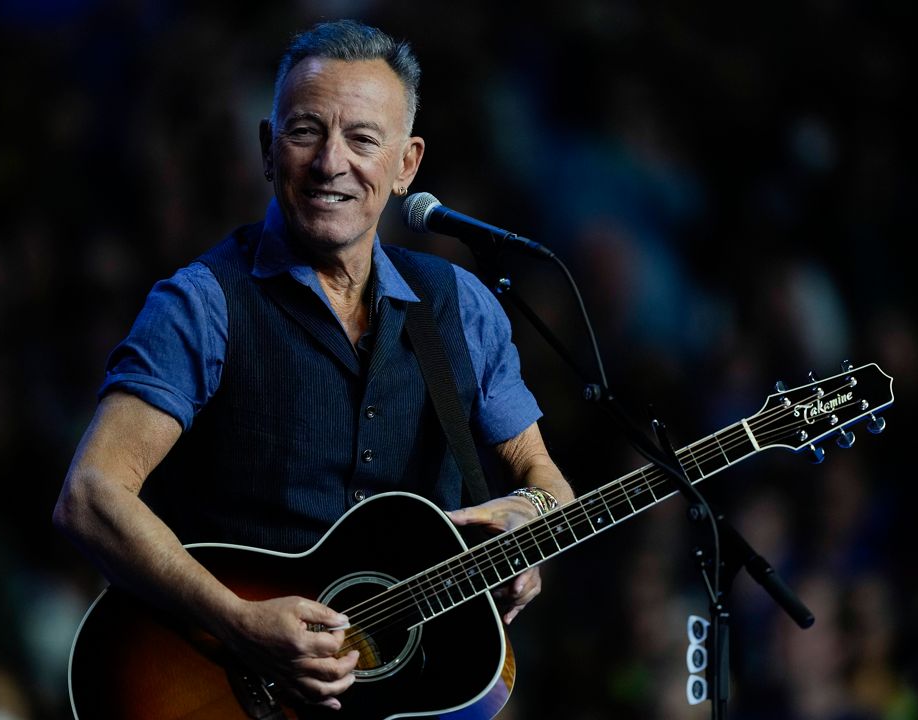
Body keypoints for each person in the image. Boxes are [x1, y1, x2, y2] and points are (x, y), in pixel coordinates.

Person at [53, 19, 574, 712]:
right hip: (219, 687)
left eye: (363, 139)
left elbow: (545, 480)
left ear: (406, 165)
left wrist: (531, 524)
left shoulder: (460, 307)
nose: (331, 162)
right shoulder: (203, 304)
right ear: (269, 150)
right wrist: (238, 622)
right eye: (305, 132)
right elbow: (90, 496)